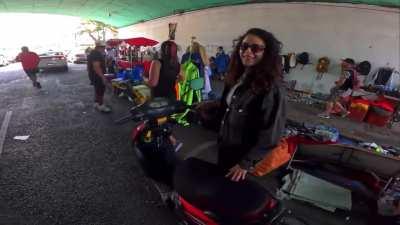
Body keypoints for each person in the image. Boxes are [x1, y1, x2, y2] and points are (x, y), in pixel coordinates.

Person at [197, 28, 286, 182]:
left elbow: (271, 133)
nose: (248, 52)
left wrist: (245, 164)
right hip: (226, 145)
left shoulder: (271, 87)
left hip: (243, 157)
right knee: (220, 184)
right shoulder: (238, 76)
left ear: (267, 53)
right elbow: (233, 103)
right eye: (244, 46)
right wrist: (209, 105)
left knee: (232, 193)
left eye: (256, 48)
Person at [87, 40, 111, 113]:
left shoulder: (94, 53)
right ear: (99, 47)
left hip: (95, 75)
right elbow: (96, 67)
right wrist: (103, 77)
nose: (104, 49)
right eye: (103, 47)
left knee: (97, 90)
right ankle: (101, 106)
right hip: (97, 76)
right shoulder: (96, 54)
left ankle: (96, 103)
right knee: (100, 90)